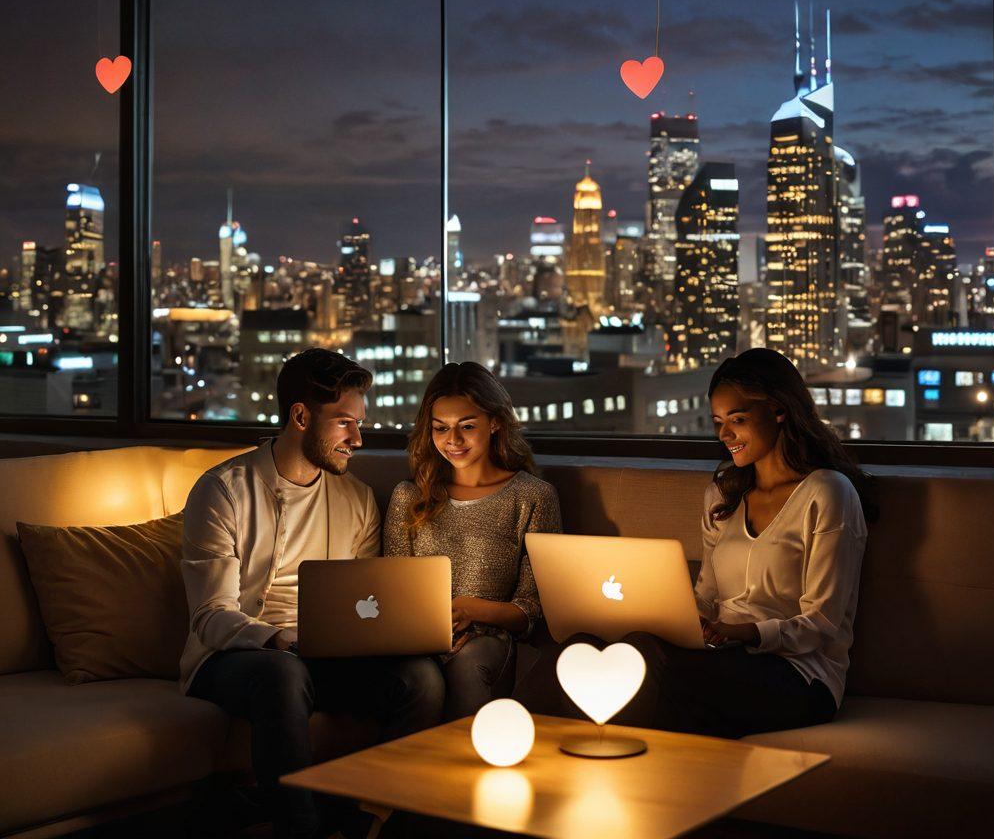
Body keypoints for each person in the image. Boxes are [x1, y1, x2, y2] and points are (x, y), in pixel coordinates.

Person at [514, 347, 871, 739]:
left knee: (645, 661)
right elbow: (707, 595)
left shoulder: (827, 493)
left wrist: (746, 632)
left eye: (738, 419)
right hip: (723, 655)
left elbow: (821, 623)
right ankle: (515, 740)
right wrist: (682, 621)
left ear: (779, 410)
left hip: (799, 674)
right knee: (586, 646)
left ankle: (587, 760)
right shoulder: (723, 495)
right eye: (719, 422)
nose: (724, 434)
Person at [181, 349, 444, 839]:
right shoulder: (223, 491)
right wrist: (279, 637)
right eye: (344, 423)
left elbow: (364, 604)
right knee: (283, 671)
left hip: (319, 655)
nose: (358, 439)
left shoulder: (357, 499)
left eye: (359, 423)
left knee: (421, 679)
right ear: (300, 416)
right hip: (233, 658)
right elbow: (210, 616)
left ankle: (368, 820)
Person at [384, 362, 562, 722]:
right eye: (441, 428)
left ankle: (468, 774)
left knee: (469, 664)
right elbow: (392, 589)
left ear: (494, 422)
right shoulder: (408, 496)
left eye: (467, 426)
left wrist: (472, 609)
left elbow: (531, 608)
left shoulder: (533, 497)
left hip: (489, 641)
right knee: (421, 679)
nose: (453, 440)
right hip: (419, 642)